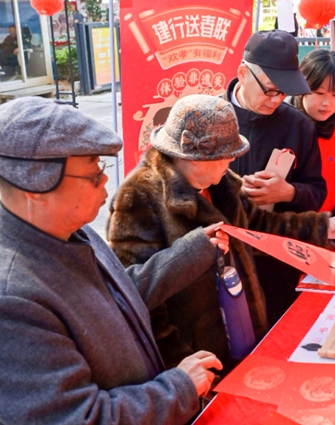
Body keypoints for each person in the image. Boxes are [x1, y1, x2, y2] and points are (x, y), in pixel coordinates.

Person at [0, 97, 230, 424]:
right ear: (34, 183)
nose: (106, 181)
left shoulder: (73, 233)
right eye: (93, 173)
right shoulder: (13, 299)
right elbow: (79, 417)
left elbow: (116, 297)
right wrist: (177, 388)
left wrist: (192, 251)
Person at [106, 95, 335, 375]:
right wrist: (181, 369)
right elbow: (132, 292)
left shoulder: (222, 182)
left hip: (242, 333)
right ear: (195, 157)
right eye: (227, 155)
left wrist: (322, 227)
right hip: (195, 359)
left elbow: (260, 227)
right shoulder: (138, 197)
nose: (233, 160)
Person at [223, 30, 329, 323]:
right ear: (242, 74)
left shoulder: (298, 125)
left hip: (278, 259)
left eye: (284, 92)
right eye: (270, 90)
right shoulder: (210, 118)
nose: (276, 99)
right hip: (222, 261)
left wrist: (289, 194)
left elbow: (317, 190)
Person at [291, 49, 335, 216]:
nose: (327, 103)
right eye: (319, 93)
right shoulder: (283, 128)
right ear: (301, 86)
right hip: (293, 233)